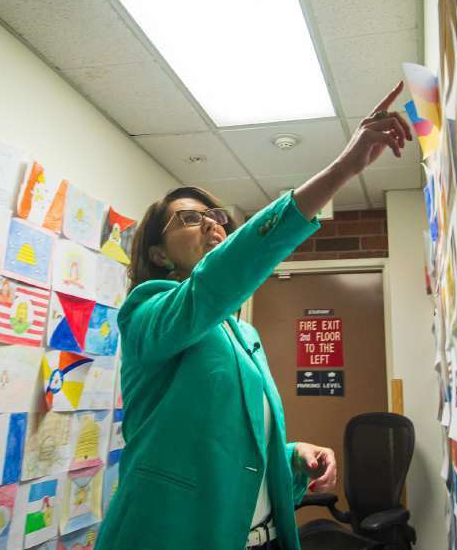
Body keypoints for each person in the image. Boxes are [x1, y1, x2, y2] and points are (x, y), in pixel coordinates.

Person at [96, 83, 413, 550]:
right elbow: (210, 286)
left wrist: (290, 456)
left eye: (216, 216)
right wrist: (346, 166)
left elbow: (226, 445)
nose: (211, 223)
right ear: (159, 255)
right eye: (188, 218)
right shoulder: (146, 314)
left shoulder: (241, 333)